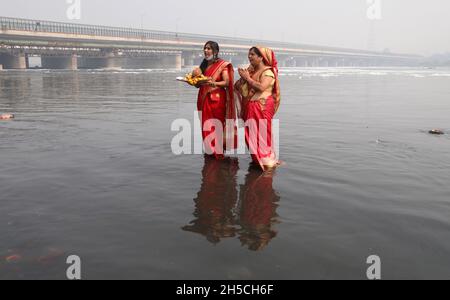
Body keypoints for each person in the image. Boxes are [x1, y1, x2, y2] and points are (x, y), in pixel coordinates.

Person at [235, 47, 281, 170]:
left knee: (263, 135)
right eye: (249, 54)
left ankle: (268, 162)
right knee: (251, 136)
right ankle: (258, 159)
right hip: (251, 107)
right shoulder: (252, 72)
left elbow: (261, 87)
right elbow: (237, 87)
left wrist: (247, 78)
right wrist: (243, 77)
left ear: (261, 57)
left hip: (262, 107)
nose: (249, 57)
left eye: (253, 55)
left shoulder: (268, 72)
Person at [196, 41, 237, 159]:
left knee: (216, 125)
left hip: (217, 100)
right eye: (205, 48)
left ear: (216, 51)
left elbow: (226, 82)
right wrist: (194, 82)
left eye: (209, 49)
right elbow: (198, 85)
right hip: (204, 99)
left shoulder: (222, 65)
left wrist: (213, 83)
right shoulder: (203, 66)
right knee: (206, 126)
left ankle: (217, 153)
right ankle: (211, 150)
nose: (206, 51)